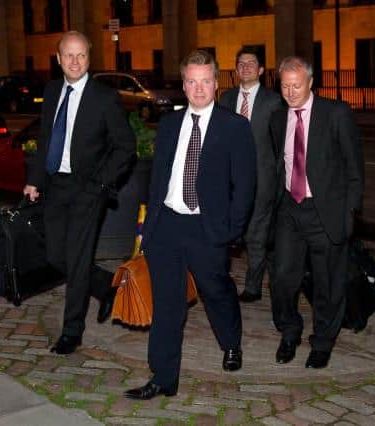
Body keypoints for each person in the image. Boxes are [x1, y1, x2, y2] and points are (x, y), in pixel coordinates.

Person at [124, 50, 256, 400]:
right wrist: (147, 227)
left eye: (206, 81)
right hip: (167, 225)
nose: (199, 88)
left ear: (216, 83)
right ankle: (163, 377)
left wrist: (232, 231)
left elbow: (245, 185)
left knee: (216, 291)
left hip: (207, 228)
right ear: (184, 85)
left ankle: (231, 342)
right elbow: (156, 180)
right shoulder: (168, 125)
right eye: (192, 81)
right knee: (167, 304)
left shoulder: (234, 127)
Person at [23, 31, 136, 355]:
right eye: (68, 56)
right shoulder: (52, 89)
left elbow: (125, 147)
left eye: (81, 56)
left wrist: (101, 184)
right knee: (55, 255)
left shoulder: (104, 97)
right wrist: (35, 179)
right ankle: (104, 286)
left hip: (89, 189)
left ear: (89, 59)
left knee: (77, 258)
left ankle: (72, 331)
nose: (74, 61)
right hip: (56, 185)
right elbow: (46, 139)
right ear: (58, 59)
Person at [269, 56, 364, 369]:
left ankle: (323, 341)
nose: (291, 92)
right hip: (289, 209)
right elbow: (279, 163)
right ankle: (290, 330)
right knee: (282, 276)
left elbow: (354, 168)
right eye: (285, 85)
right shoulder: (277, 117)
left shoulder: (336, 113)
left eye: (297, 85)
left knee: (327, 283)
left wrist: (349, 214)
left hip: (325, 211)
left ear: (311, 82)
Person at [220, 47, 282, 303]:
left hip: (261, 181)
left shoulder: (273, 101)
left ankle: (253, 287)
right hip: (230, 181)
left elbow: (280, 145)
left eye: (251, 63)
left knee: (256, 234)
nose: (245, 67)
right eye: (240, 63)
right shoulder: (226, 98)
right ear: (236, 71)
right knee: (226, 233)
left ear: (260, 70)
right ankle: (220, 282)